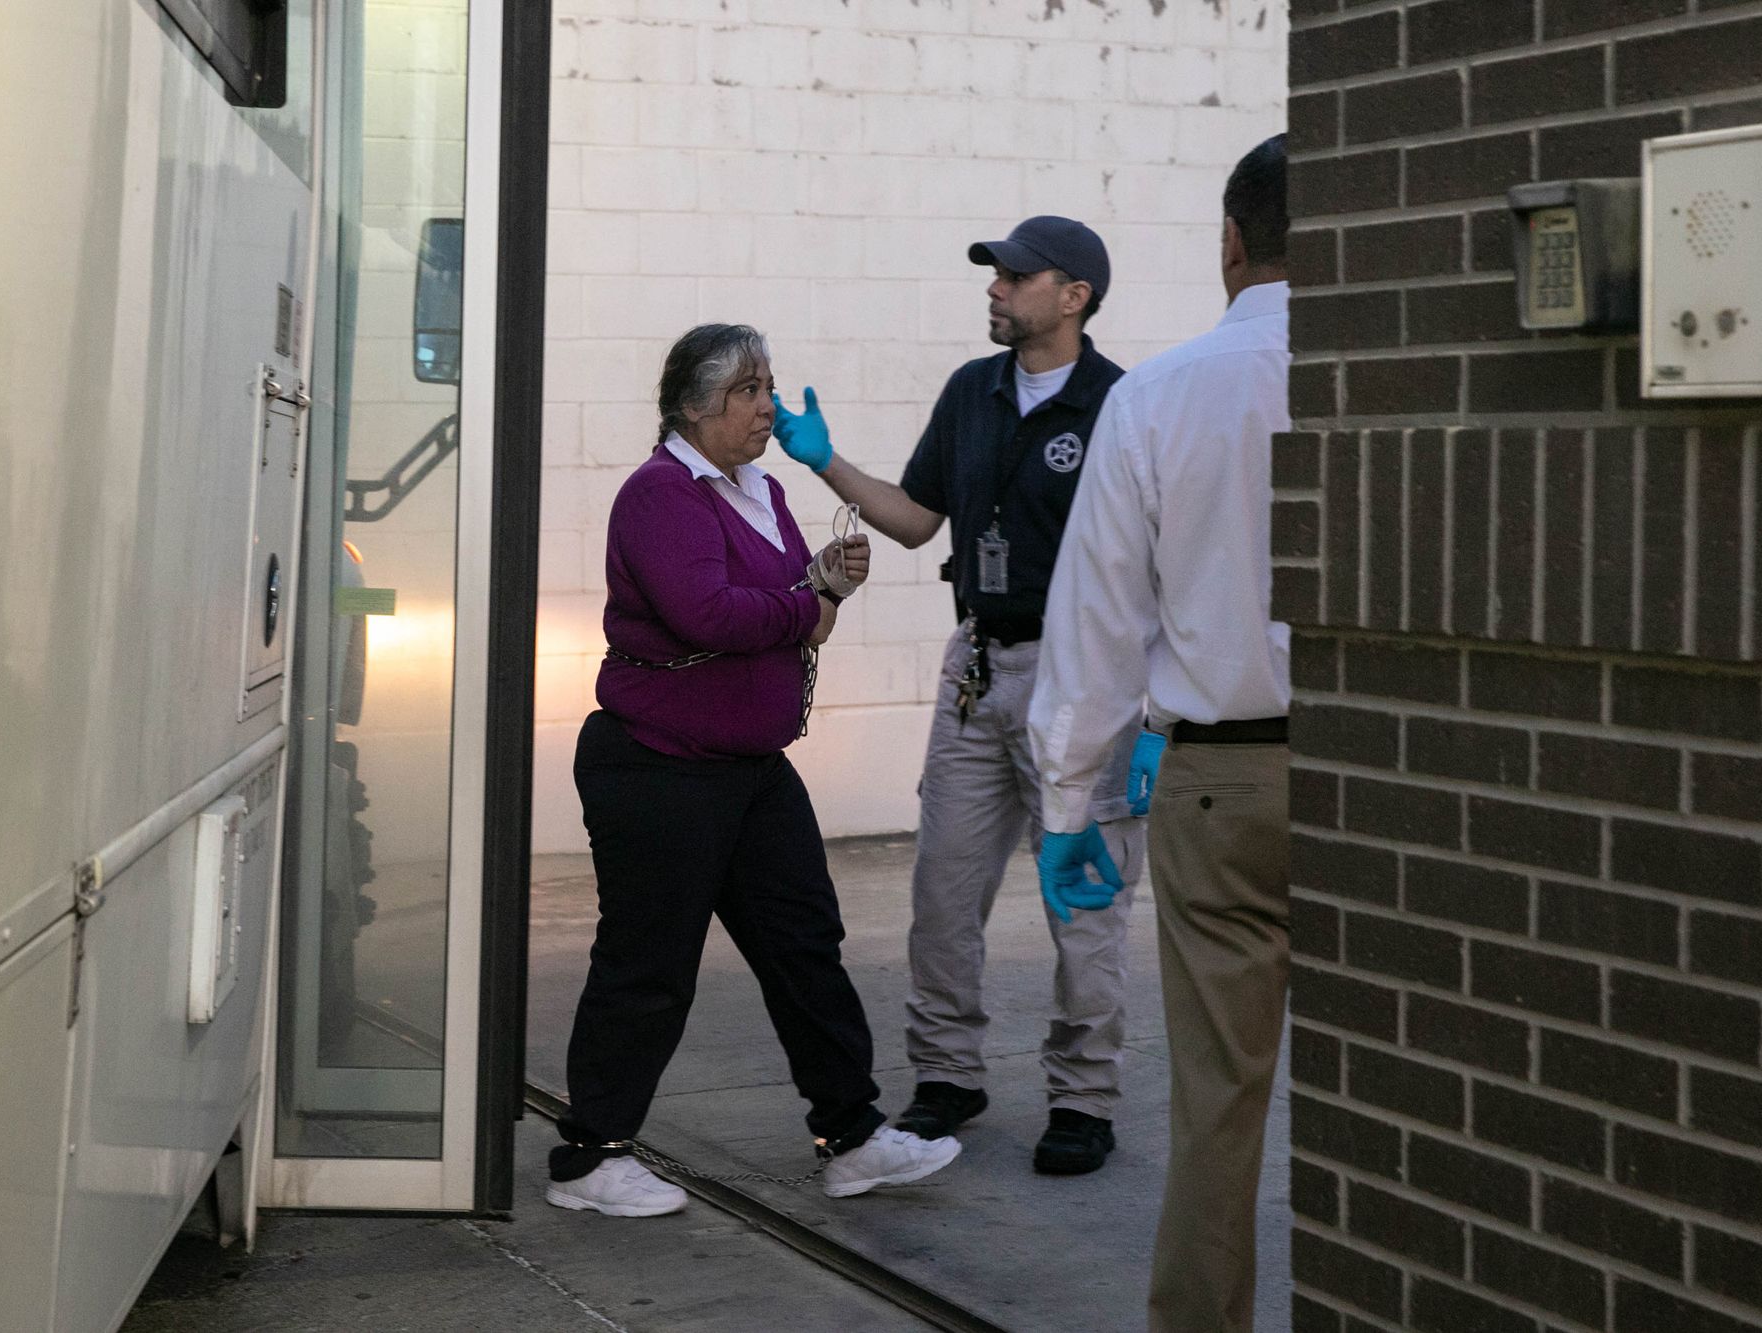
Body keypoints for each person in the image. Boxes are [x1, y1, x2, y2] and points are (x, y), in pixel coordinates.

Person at [548, 323, 962, 1218]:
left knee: (805, 946)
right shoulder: (660, 494)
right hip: (659, 768)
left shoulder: (762, 489)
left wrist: (827, 588)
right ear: (695, 407)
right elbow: (709, 615)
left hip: (748, 768)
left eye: (768, 386)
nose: (768, 406)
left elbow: (794, 620)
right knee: (648, 964)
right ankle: (590, 1157)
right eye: (748, 391)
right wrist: (803, 594)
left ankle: (851, 1136)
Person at [771, 217, 1144, 1175]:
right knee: (942, 890)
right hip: (978, 666)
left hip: (1085, 681)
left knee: (1083, 901)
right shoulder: (971, 393)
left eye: (1018, 277)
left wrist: (1155, 718)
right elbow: (914, 518)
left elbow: (1163, 563)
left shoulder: (1124, 407)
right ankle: (948, 1074)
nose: (996, 289)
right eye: (995, 275)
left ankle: (1083, 1096)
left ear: (1076, 296)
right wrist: (823, 458)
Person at [1027, 135, 1292, 1333]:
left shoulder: (1158, 394)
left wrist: (1066, 805)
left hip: (1221, 787)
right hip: (1408, 787)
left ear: (1230, 242)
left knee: (1217, 1101)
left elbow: (1093, 631)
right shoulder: (1411, 373)